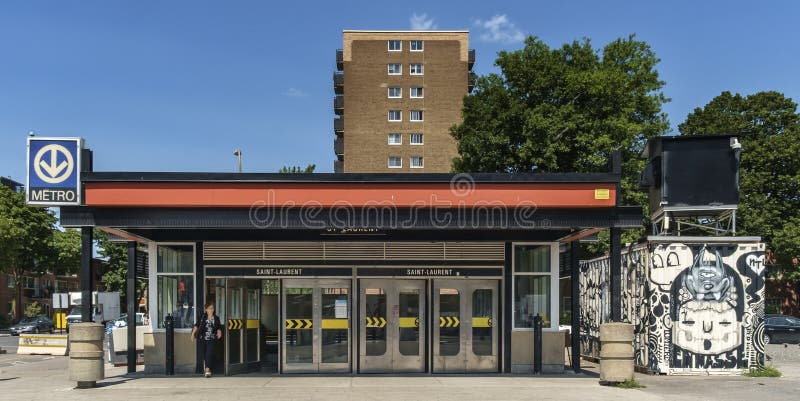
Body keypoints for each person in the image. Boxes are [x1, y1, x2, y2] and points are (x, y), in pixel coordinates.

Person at [191, 301, 222, 377]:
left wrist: (219, 332)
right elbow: (197, 325)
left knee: (209, 353)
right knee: (205, 354)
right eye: (209, 308)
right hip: (202, 338)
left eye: (212, 308)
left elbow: (218, 327)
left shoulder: (216, 318)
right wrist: (192, 334)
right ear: (206, 309)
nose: (211, 310)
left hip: (212, 339)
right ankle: (206, 368)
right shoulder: (202, 317)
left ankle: (207, 369)